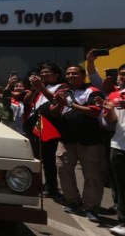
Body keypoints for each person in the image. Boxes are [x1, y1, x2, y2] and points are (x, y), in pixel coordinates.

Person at [51, 65, 105, 222]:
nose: (70, 76)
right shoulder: (63, 92)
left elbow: (94, 112)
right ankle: (73, 202)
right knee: (63, 169)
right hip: (66, 141)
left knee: (92, 176)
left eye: (75, 73)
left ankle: (91, 207)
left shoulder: (92, 91)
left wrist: (69, 104)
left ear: (83, 75)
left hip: (90, 142)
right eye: (68, 73)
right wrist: (60, 102)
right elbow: (54, 112)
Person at [25, 62, 65, 199]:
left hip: (50, 125)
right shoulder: (41, 88)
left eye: (46, 71)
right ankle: (36, 183)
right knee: (35, 157)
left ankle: (51, 187)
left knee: (48, 158)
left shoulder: (62, 87)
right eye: (41, 72)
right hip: (37, 123)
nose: (43, 74)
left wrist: (41, 87)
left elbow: (55, 101)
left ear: (56, 74)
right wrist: (34, 88)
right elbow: (27, 101)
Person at [101, 79, 125, 235]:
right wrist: (109, 110)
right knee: (121, 187)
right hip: (119, 146)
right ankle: (123, 223)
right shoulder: (115, 95)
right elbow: (111, 122)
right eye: (122, 74)